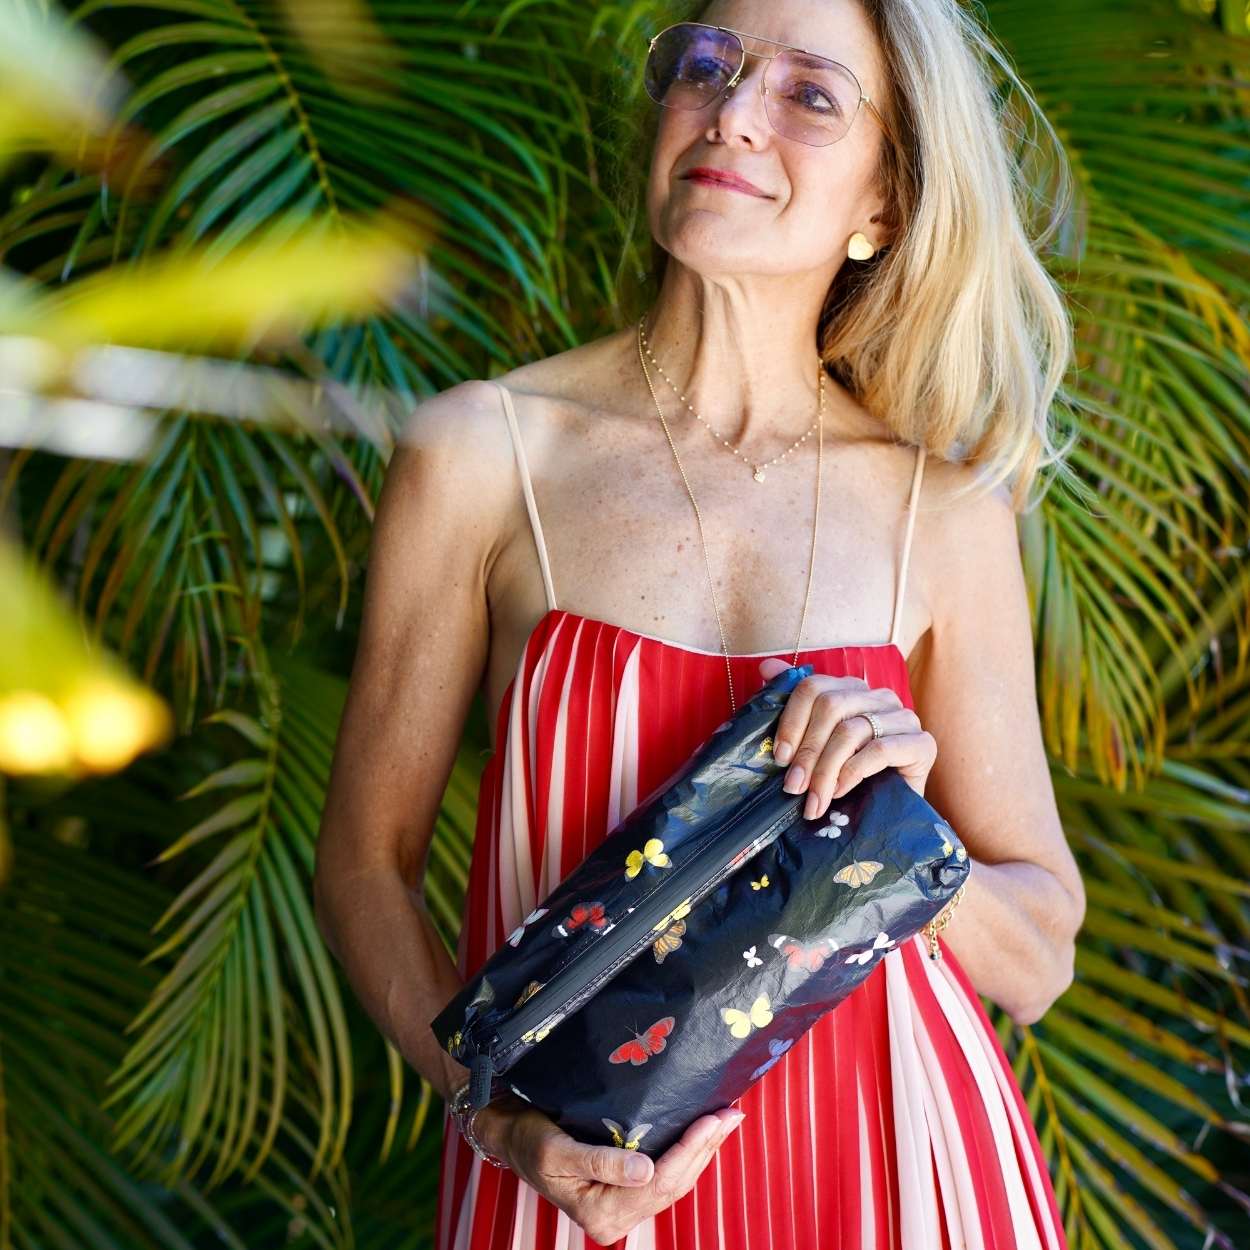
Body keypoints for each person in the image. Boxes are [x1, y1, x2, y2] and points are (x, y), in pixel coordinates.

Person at [313, 0, 1088, 1245]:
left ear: (882, 205)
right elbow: (362, 861)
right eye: (704, 67)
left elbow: (1037, 951)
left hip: (899, 1169)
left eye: (808, 93)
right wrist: (493, 1112)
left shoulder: (938, 511)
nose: (729, 114)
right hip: (574, 1184)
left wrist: (902, 824)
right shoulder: (481, 453)